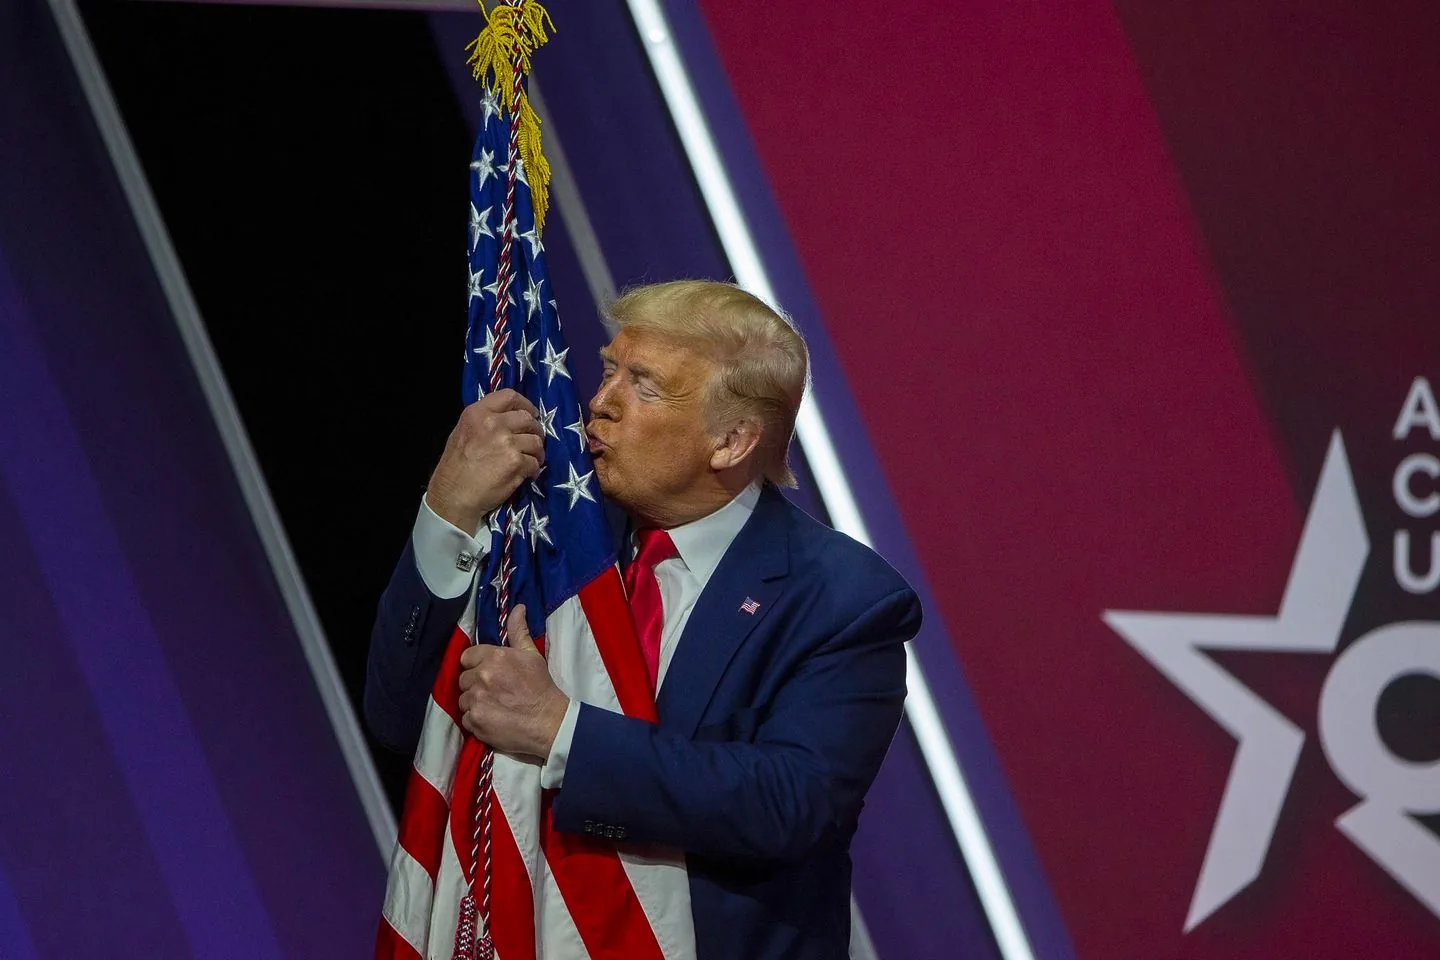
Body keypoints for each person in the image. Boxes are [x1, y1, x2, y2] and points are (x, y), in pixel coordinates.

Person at [366, 280, 922, 960]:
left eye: (645, 386)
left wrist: (560, 731)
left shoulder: (843, 599)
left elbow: (790, 804)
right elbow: (397, 715)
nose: (599, 403)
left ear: (731, 441)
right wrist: (447, 511)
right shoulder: (551, 545)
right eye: (609, 370)